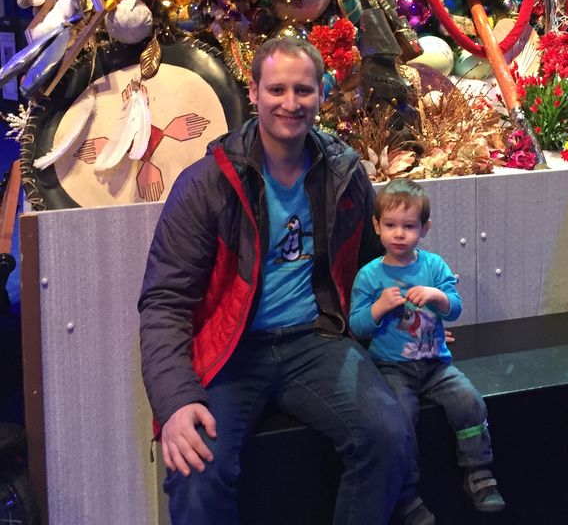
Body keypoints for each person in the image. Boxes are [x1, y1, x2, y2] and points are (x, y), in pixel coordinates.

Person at [138, 36, 427, 525]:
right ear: (253, 92)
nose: (290, 103)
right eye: (277, 89)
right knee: (196, 471)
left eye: (303, 90)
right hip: (232, 350)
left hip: (316, 341)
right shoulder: (208, 183)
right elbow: (164, 301)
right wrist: (176, 400)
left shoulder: (342, 171)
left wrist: (414, 318)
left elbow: (372, 266)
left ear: (321, 94)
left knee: (387, 435)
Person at [349, 178, 505, 515]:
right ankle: (406, 494)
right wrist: (378, 308)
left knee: (469, 401)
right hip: (392, 368)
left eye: (409, 226)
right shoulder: (369, 276)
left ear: (424, 228)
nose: (399, 234)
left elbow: (455, 308)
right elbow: (356, 326)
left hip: (436, 365)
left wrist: (437, 296)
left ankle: (478, 472)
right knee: (400, 419)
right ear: (376, 226)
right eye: (390, 225)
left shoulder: (434, 267)